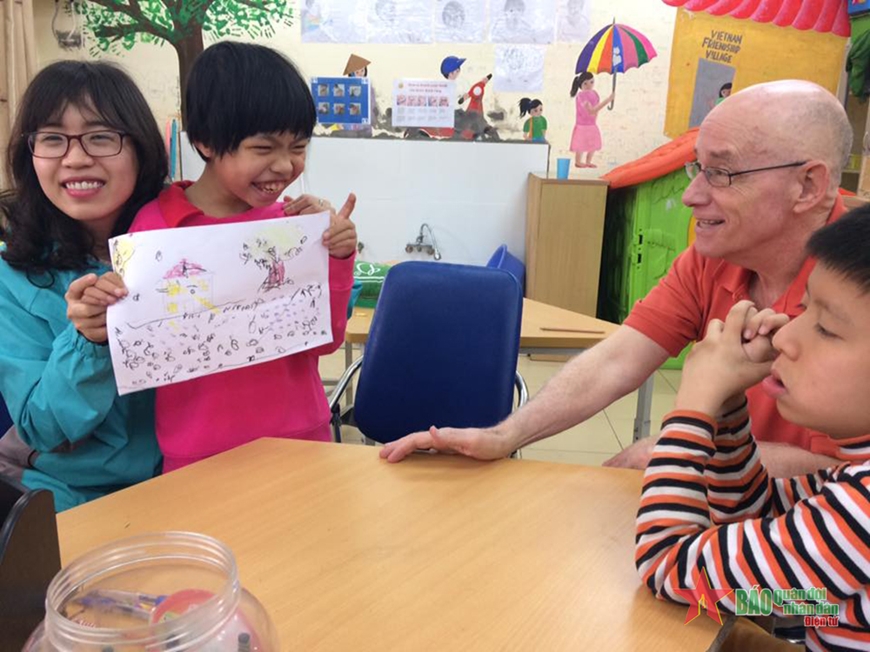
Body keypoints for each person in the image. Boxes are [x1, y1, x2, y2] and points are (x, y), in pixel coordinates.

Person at [379, 80, 861, 479]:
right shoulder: (714, 259)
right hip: (733, 520)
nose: (691, 195)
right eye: (697, 167)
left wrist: (679, 454)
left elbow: (852, 478)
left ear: (808, 185)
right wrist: (504, 436)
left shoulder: (858, 292)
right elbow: (619, 358)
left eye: (721, 173)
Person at [636, 210, 870, 650]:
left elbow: (667, 567)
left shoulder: (861, 511)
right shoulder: (854, 482)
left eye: (825, 329)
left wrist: (694, 408)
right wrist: (726, 406)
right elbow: (758, 516)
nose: (783, 338)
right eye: (803, 310)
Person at [126, 42, 358, 472]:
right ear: (205, 142)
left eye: (298, 147)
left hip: (302, 440)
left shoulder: (294, 224)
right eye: (264, 148)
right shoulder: (155, 230)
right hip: (198, 453)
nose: (286, 166)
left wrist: (338, 255)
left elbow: (326, 341)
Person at [0, 61, 166, 510]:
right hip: (65, 495)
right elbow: (43, 429)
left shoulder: (180, 244)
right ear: (30, 155)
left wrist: (314, 240)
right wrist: (87, 342)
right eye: (53, 139)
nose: (75, 158)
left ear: (141, 149)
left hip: (189, 478)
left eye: (101, 137)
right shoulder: (11, 276)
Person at [569, 72, 613, 168]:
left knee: (593, 143)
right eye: (585, 83)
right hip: (582, 125)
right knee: (580, 144)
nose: (589, 85)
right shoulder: (581, 96)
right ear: (580, 85)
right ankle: (578, 161)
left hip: (592, 123)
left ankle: (588, 161)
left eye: (591, 82)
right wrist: (608, 100)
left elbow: (595, 108)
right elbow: (592, 111)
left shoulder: (595, 94)